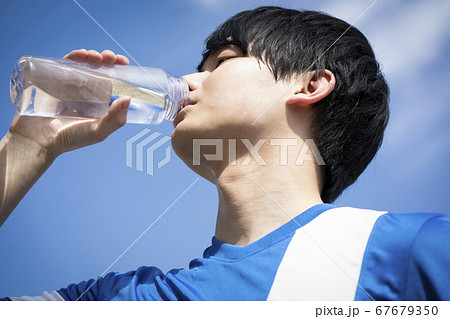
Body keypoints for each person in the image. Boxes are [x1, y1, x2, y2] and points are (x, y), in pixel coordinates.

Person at [1, 6, 449, 301]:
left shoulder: (403, 249)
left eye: (222, 61)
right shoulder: (128, 298)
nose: (189, 81)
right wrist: (28, 146)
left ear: (310, 85)